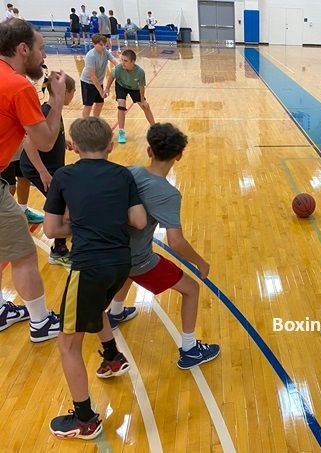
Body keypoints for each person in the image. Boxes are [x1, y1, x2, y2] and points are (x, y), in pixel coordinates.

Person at [44, 117, 146, 440]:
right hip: (120, 263)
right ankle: (113, 357)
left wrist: (79, 226)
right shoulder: (123, 174)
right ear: (110, 146)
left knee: (67, 345)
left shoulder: (64, 176)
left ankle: (84, 420)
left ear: (72, 146)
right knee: (97, 306)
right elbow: (139, 221)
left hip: (87, 266)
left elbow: (51, 230)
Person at [108, 123, 220, 370]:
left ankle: (114, 313)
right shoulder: (169, 194)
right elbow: (175, 241)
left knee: (128, 269)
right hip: (137, 260)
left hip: (113, 252)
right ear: (179, 155)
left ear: (149, 150)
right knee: (191, 289)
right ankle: (190, 350)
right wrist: (200, 262)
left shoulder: (129, 172)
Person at [0, 18, 66, 341]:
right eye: (40, 48)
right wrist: (56, 98)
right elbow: (45, 141)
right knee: (23, 253)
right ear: (23, 49)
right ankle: (41, 323)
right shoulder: (18, 86)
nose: (44, 55)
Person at [20, 74, 77, 266]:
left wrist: (64, 140)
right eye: (73, 91)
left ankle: (63, 239)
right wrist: (43, 172)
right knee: (60, 205)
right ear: (64, 91)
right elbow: (27, 140)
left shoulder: (54, 109)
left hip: (52, 168)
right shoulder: (44, 111)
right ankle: (59, 251)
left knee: (65, 201)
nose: (74, 95)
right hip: (39, 169)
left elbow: (48, 134)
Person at [105, 49, 155, 144]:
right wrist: (107, 88)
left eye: (125, 61)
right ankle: (121, 132)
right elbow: (111, 76)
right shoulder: (119, 68)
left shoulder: (140, 72)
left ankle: (155, 129)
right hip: (121, 86)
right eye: (122, 60)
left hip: (134, 88)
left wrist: (142, 100)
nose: (123, 63)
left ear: (133, 62)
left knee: (146, 106)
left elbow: (141, 86)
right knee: (121, 104)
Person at [0, 148, 44, 224]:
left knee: (24, 179)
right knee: (10, 187)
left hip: (21, 150)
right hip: (4, 152)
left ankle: (23, 210)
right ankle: (4, 217)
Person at [80, 34, 119, 118]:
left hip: (99, 81)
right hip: (88, 82)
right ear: (94, 44)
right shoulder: (90, 56)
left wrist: (121, 67)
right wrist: (101, 91)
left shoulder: (105, 52)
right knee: (88, 105)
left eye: (105, 44)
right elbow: (92, 76)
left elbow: (114, 60)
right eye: (101, 45)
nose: (103, 47)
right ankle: (84, 123)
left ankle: (95, 120)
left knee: (100, 103)